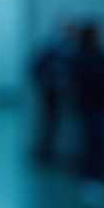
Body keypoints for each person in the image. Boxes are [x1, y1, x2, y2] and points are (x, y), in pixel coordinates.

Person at [72, 22, 104, 208]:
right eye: (100, 34)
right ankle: (90, 183)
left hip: (94, 107)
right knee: (96, 143)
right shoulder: (89, 57)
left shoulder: (92, 55)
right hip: (93, 107)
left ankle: (93, 181)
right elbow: (97, 83)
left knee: (96, 142)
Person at [31, 20, 77, 162]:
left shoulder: (74, 48)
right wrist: (48, 83)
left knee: (68, 123)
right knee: (50, 122)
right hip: (51, 92)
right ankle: (45, 153)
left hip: (68, 92)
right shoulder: (51, 47)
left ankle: (59, 153)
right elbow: (35, 68)